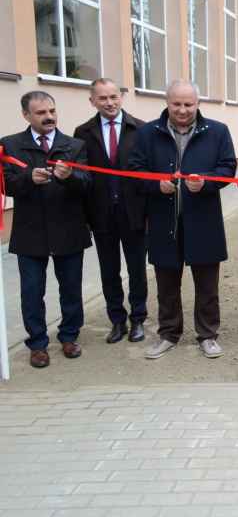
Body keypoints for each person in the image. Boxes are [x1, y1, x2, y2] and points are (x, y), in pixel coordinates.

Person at [129, 80, 237, 360]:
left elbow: (227, 168)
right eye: (176, 104)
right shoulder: (148, 133)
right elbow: (135, 170)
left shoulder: (217, 131)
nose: (182, 110)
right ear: (167, 102)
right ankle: (168, 334)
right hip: (164, 222)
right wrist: (156, 185)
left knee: (207, 286)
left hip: (203, 221)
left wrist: (206, 183)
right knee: (166, 285)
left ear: (197, 103)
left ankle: (208, 335)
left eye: (188, 104)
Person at [1, 91, 92, 368]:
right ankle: (38, 344)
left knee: (71, 289)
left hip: (68, 228)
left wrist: (69, 177)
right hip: (31, 232)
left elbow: (87, 183)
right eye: (41, 113)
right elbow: (6, 184)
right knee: (31, 292)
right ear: (26, 115)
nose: (49, 116)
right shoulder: (10, 145)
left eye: (52, 110)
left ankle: (69, 336)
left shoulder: (74, 145)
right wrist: (28, 178)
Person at [73, 78, 148, 345]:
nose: (109, 103)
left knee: (137, 269)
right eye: (103, 98)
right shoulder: (83, 133)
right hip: (101, 213)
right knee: (109, 270)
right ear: (92, 101)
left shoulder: (140, 129)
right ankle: (117, 320)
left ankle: (138, 318)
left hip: (133, 212)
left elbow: (147, 171)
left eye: (114, 97)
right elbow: (82, 174)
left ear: (121, 97)